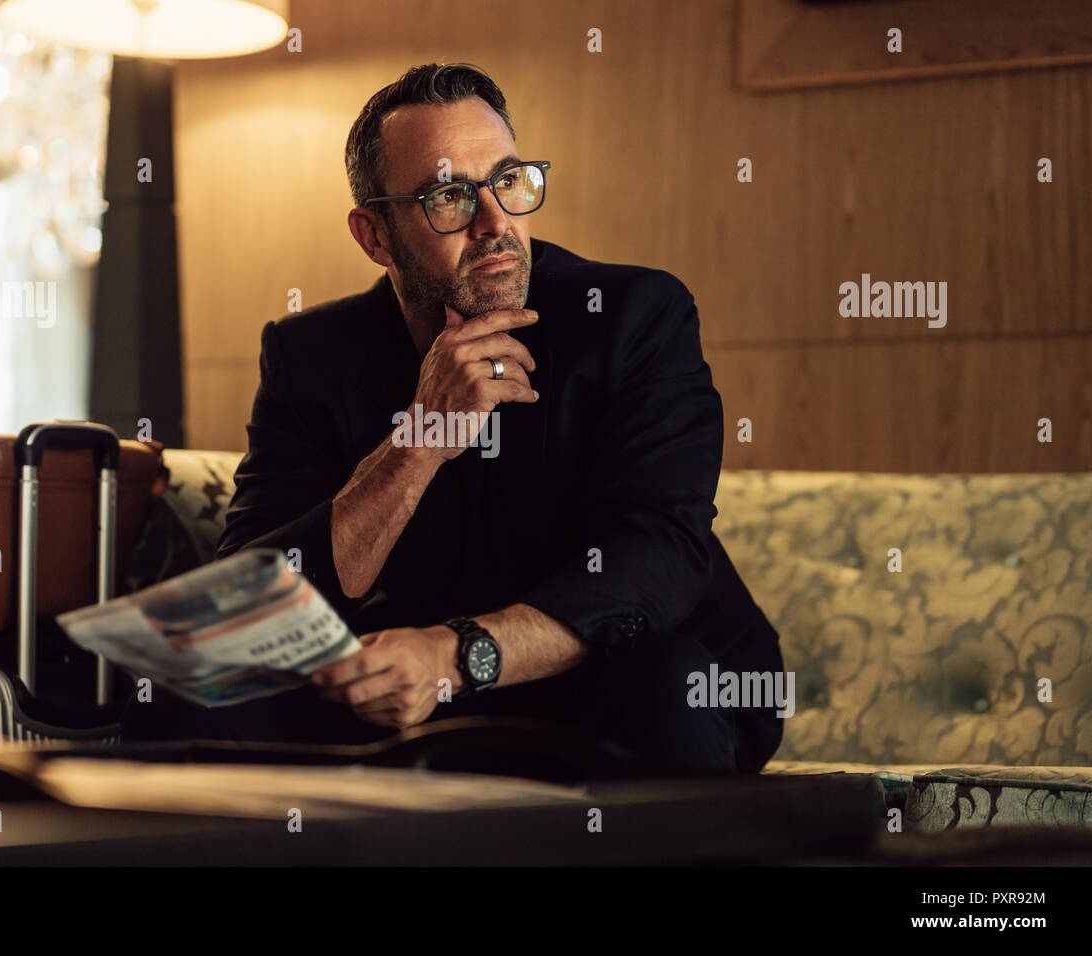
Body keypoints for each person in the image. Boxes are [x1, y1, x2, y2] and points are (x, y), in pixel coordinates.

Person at [124, 62, 785, 773]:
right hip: (407, 699)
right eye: (449, 195)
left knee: (669, 687)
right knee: (174, 690)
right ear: (375, 236)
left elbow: (656, 556)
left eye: (508, 181)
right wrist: (420, 440)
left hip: (608, 675)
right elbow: (258, 605)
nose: (496, 223)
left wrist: (457, 654)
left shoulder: (633, 316)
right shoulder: (309, 355)